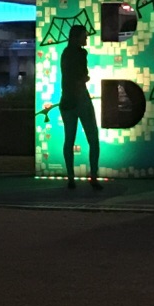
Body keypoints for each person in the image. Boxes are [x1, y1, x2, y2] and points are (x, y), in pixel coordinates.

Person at [59, 22, 100, 190]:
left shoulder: (65, 53)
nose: (86, 39)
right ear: (77, 38)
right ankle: (93, 176)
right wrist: (84, 78)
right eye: (85, 36)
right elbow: (83, 75)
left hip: (67, 99)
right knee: (93, 139)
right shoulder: (82, 54)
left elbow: (70, 76)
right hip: (81, 98)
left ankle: (71, 177)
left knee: (69, 139)